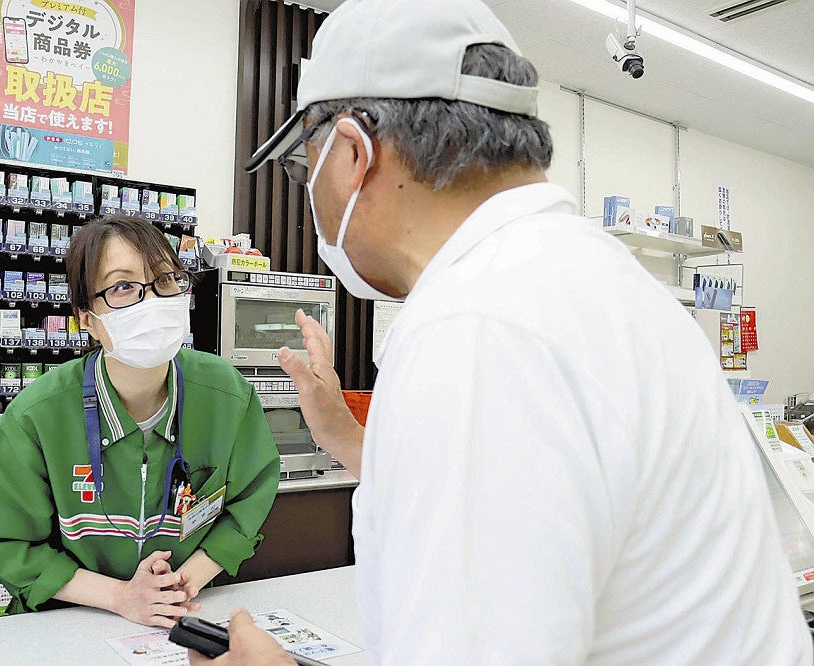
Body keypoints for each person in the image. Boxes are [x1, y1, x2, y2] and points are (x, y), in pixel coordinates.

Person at [192, 0, 813, 663]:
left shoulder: (476, 330)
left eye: (301, 166)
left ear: (352, 153)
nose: (308, 194)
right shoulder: (595, 280)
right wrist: (347, 438)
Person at [0, 215, 280, 628]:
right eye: (123, 287)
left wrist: (182, 584)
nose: (152, 301)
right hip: (67, 623)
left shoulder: (227, 395)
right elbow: (6, 541)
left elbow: (249, 500)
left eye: (166, 280)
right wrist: (120, 597)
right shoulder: (36, 417)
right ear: (87, 319)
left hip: (182, 616)